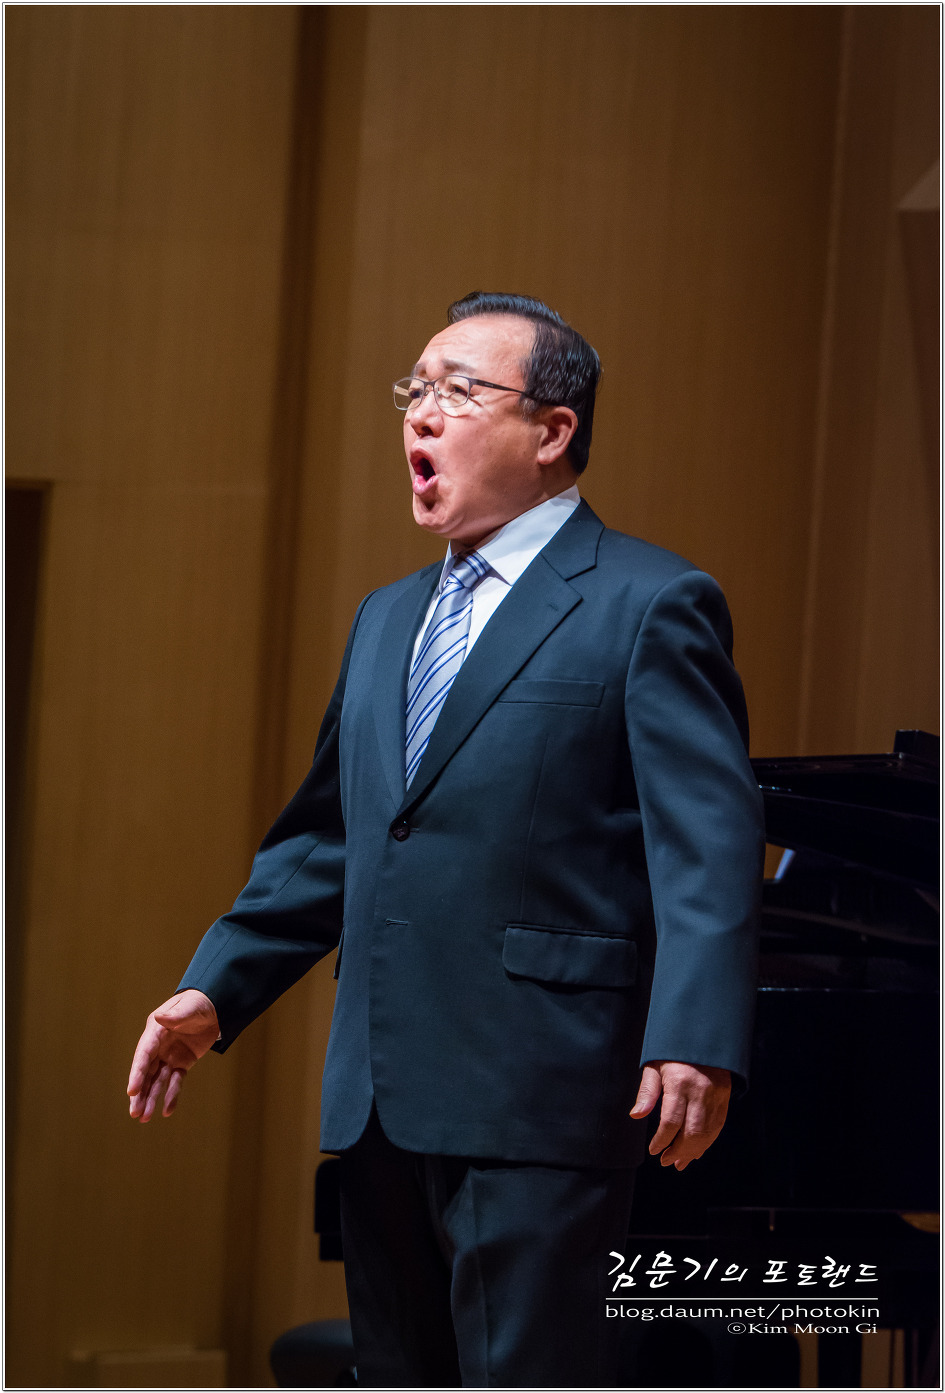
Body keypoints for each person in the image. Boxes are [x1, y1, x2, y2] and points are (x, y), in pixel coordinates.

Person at [128, 292, 765, 1388]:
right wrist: (215, 989)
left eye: (459, 392)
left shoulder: (651, 602)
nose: (420, 415)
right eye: (413, 390)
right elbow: (332, 838)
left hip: (539, 1096)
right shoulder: (387, 615)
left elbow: (706, 844)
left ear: (553, 430)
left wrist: (696, 1037)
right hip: (382, 1097)